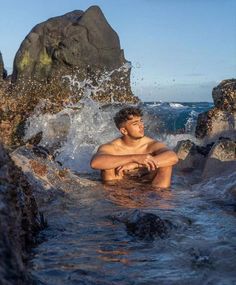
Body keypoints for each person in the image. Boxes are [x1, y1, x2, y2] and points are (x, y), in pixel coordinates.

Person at [90, 106, 179, 188]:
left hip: (150, 185)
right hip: (118, 187)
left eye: (141, 121)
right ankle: (114, 201)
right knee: (108, 167)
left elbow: (173, 157)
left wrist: (136, 164)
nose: (141, 126)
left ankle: (160, 200)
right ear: (124, 130)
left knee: (167, 164)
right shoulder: (112, 147)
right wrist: (134, 158)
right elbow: (95, 163)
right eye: (135, 124)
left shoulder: (151, 145)